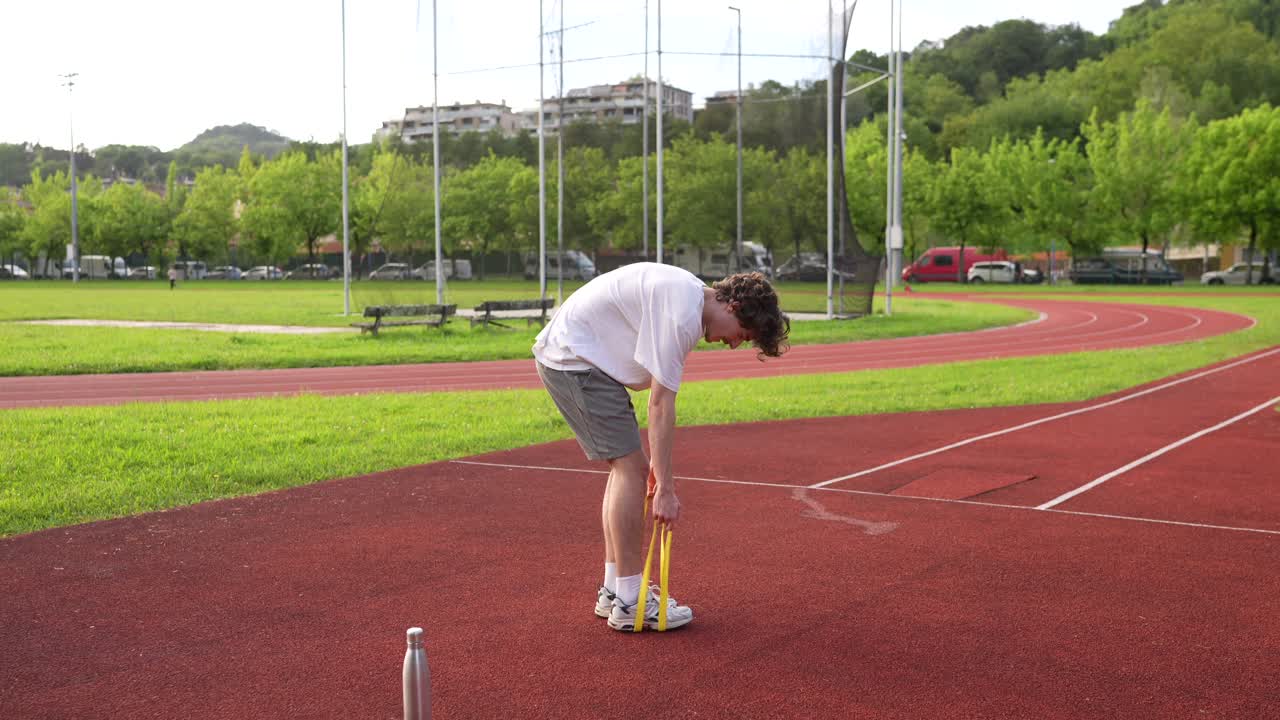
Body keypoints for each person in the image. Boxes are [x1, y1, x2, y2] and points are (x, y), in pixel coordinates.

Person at [532, 262, 790, 631]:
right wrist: (665, 490)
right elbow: (659, 404)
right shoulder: (682, 314)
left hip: (577, 356)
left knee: (630, 469)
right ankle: (630, 599)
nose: (734, 343)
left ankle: (615, 589)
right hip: (574, 360)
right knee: (630, 470)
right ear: (733, 307)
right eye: (743, 334)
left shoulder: (686, 296)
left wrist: (659, 470)